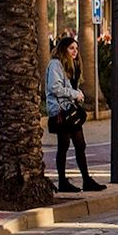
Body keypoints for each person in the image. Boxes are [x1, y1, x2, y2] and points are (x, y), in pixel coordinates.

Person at [45, 36, 106, 193]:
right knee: (64, 145)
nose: (75, 51)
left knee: (80, 145)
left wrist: (77, 94)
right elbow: (54, 88)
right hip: (60, 111)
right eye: (71, 48)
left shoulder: (72, 66)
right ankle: (63, 182)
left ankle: (86, 180)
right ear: (63, 49)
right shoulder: (55, 65)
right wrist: (75, 94)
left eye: (76, 48)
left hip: (70, 110)